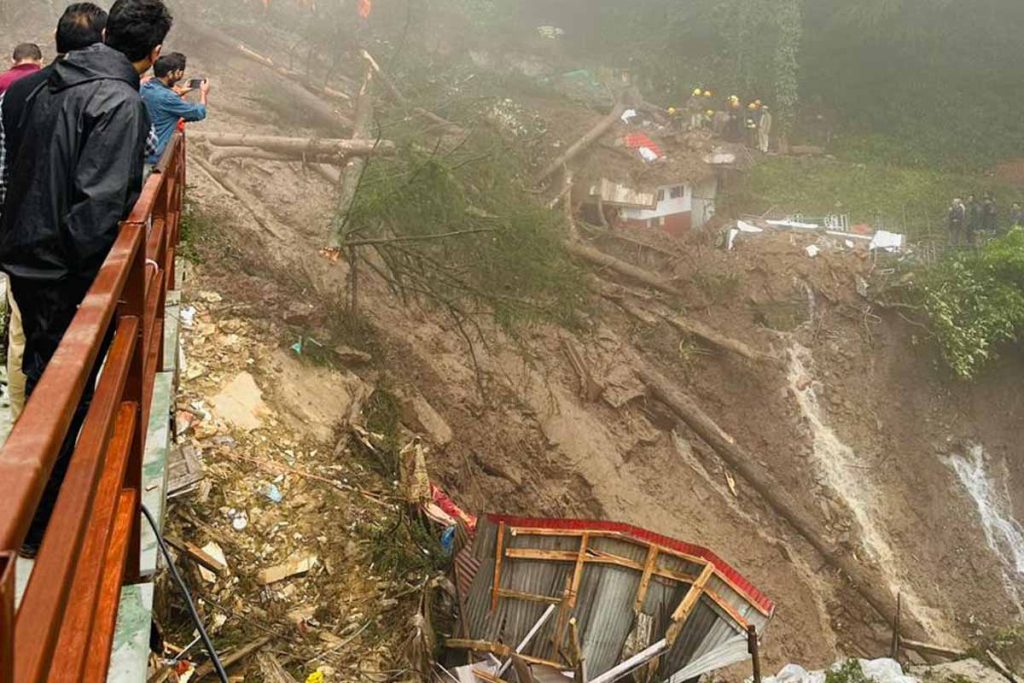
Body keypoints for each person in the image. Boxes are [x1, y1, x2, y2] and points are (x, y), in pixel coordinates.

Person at [0, 0, 173, 558]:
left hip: (24, 249)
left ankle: (28, 498)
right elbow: (98, 207)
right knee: (65, 386)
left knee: (39, 370)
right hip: (60, 267)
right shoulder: (120, 101)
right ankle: (32, 523)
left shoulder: (46, 82)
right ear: (150, 55)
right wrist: (87, 280)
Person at [0, 5, 110, 424]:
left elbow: (7, 166)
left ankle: (22, 427)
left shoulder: (14, 92)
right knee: (58, 344)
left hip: (18, 237)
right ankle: (51, 433)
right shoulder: (99, 96)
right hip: (63, 250)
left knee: (22, 336)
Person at [141, 51, 209, 166]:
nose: (181, 74)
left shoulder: (145, 87)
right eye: (180, 72)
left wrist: (180, 92)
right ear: (171, 73)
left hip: (136, 150)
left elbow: (160, 101)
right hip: (150, 157)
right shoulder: (169, 98)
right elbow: (199, 113)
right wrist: (204, 93)